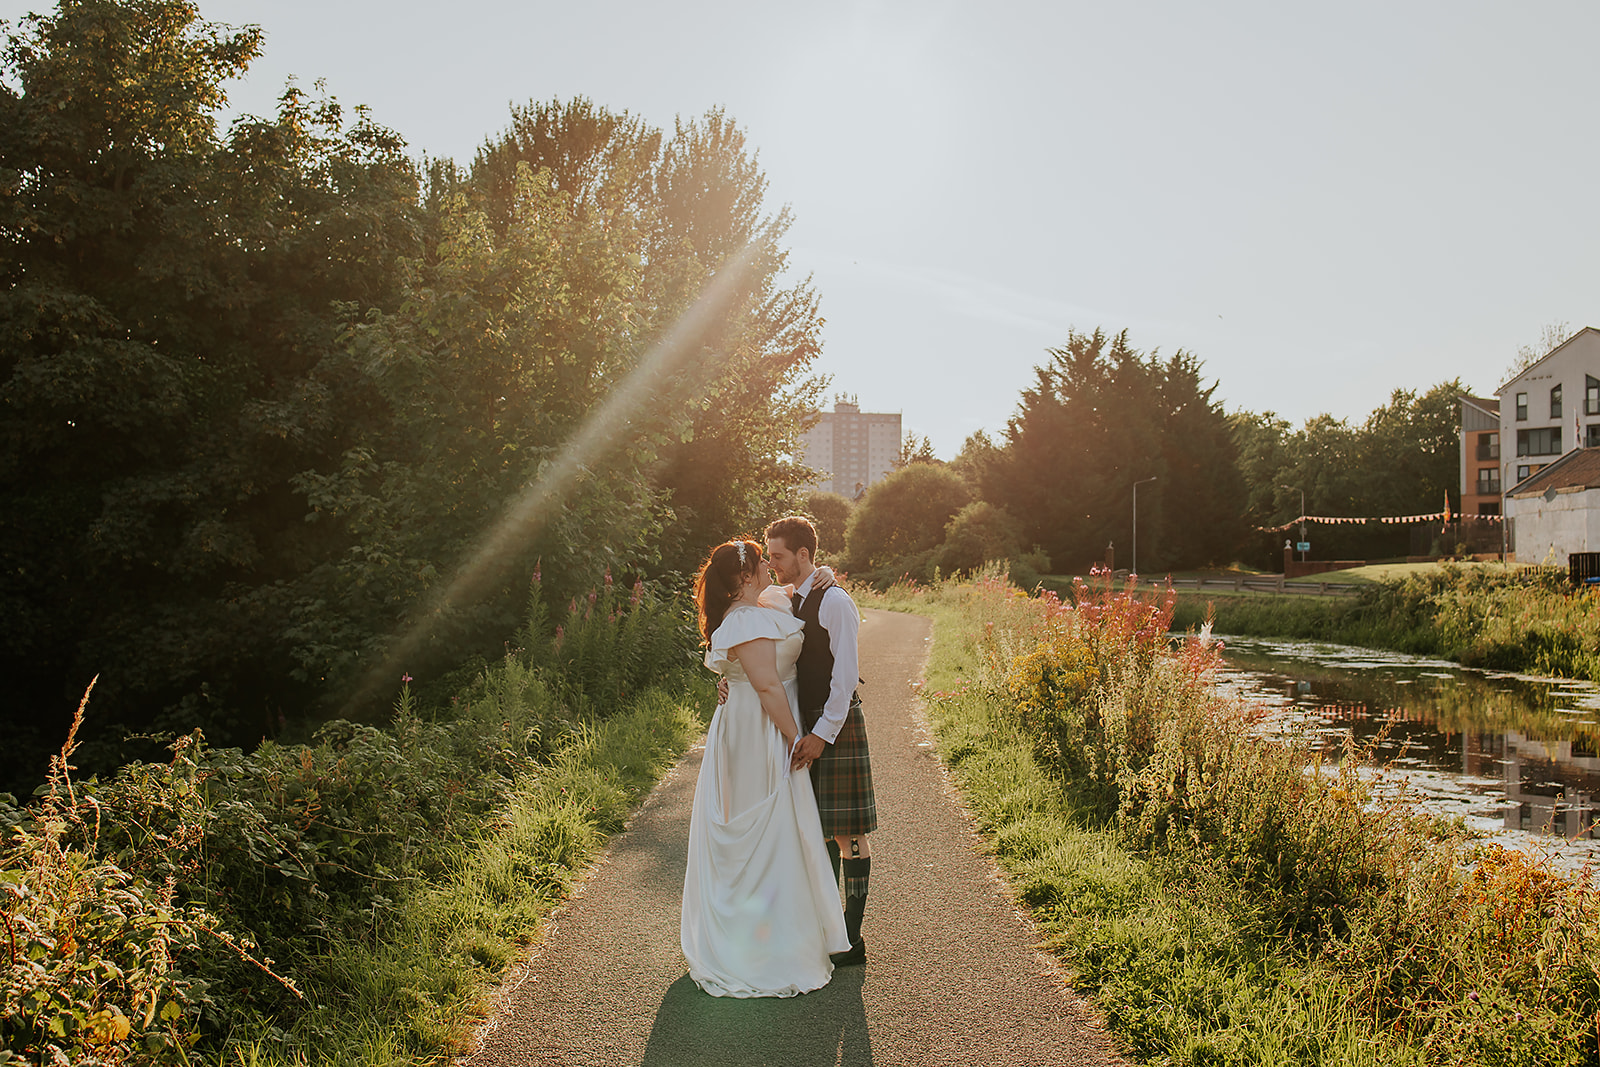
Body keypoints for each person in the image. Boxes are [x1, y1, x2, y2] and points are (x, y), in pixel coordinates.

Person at [680, 539, 850, 997]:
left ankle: (778, 930)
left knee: (782, 827)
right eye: (761, 563)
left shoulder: (765, 602)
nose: (768, 568)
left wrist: (825, 576)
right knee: (762, 825)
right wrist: (797, 739)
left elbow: (796, 597)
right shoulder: (745, 620)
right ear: (743, 576)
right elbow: (769, 686)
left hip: (762, 722)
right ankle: (752, 949)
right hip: (759, 731)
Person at [765, 515, 876, 967]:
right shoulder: (792, 595)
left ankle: (852, 938)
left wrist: (821, 736)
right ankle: (829, 929)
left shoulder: (835, 602)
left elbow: (845, 676)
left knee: (847, 831)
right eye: (769, 556)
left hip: (834, 725)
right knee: (820, 828)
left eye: (778, 556)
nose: (773, 564)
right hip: (805, 723)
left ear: (804, 555)